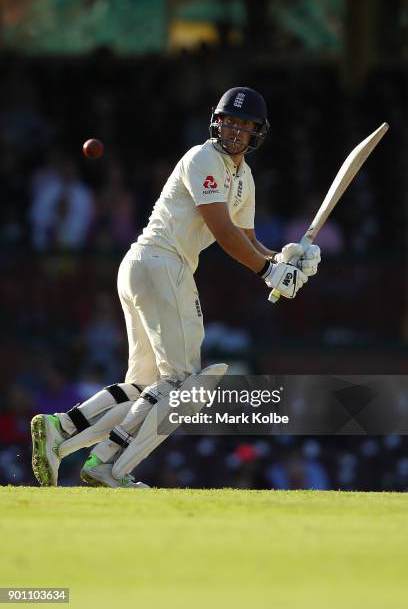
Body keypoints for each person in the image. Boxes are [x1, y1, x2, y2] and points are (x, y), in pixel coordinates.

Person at [31, 87, 321, 488]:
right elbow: (221, 230)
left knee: (144, 387)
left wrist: (286, 262)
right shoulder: (203, 158)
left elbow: (249, 241)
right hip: (161, 263)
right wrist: (267, 273)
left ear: (258, 132)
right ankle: (108, 462)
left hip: (150, 267)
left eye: (245, 125)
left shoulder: (245, 178)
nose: (235, 130)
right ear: (216, 122)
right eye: (229, 121)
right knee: (183, 384)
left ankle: (60, 430)